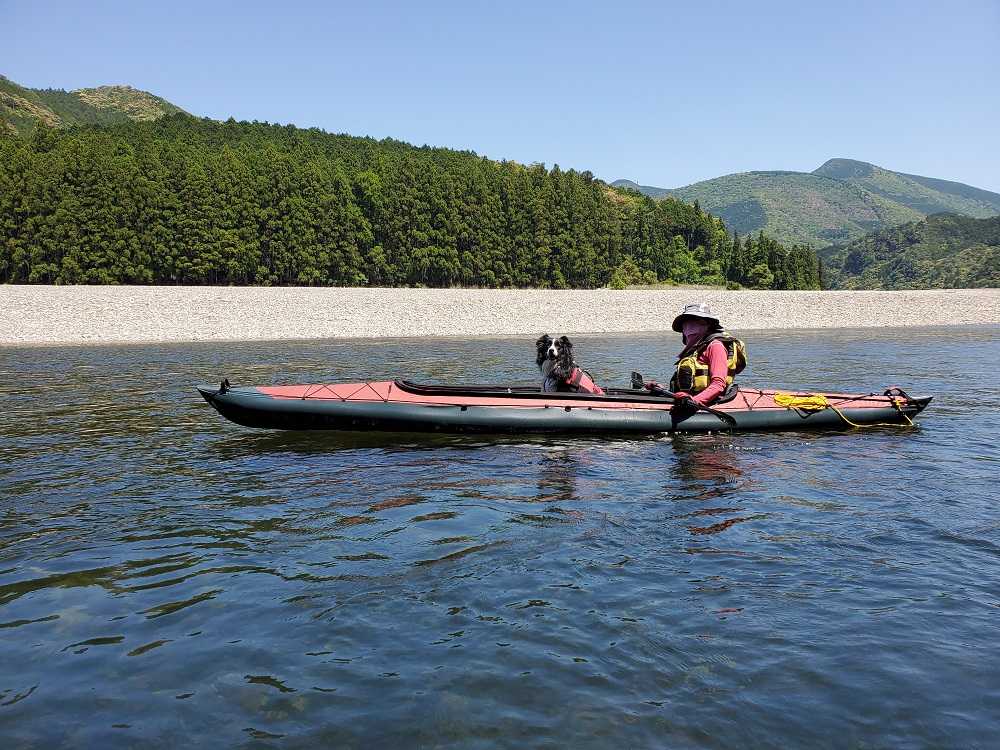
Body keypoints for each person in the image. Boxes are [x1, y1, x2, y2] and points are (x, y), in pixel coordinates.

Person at [646, 302, 746, 406]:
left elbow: (718, 385)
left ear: (709, 325)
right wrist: (661, 389)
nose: (689, 327)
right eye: (686, 323)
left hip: (709, 403)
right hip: (689, 400)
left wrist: (694, 401)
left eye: (697, 322)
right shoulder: (693, 351)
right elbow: (685, 388)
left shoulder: (715, 346)